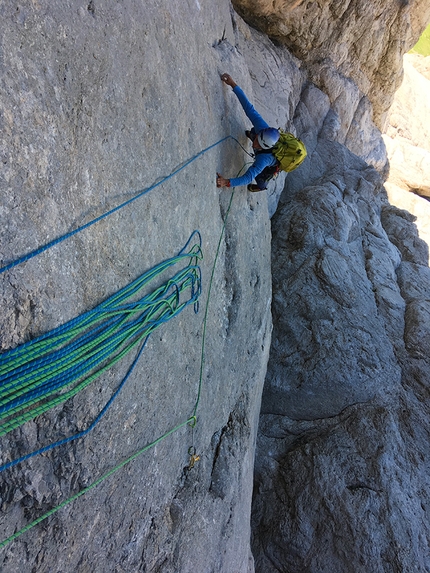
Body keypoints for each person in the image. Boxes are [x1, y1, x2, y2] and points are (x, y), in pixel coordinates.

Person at [216, 73, 280, 192]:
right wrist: (233, 84)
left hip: (269, 164)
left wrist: (227, 182)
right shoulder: (262, 128)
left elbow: (248, 177)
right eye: (256, 139)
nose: (254, 144)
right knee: (253, 131)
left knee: (261, 178)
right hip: (262, 139)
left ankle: (260, 187)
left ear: (264, 146)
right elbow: (249, 109)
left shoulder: (264, 160)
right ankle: (251, 134)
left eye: (257, 143)